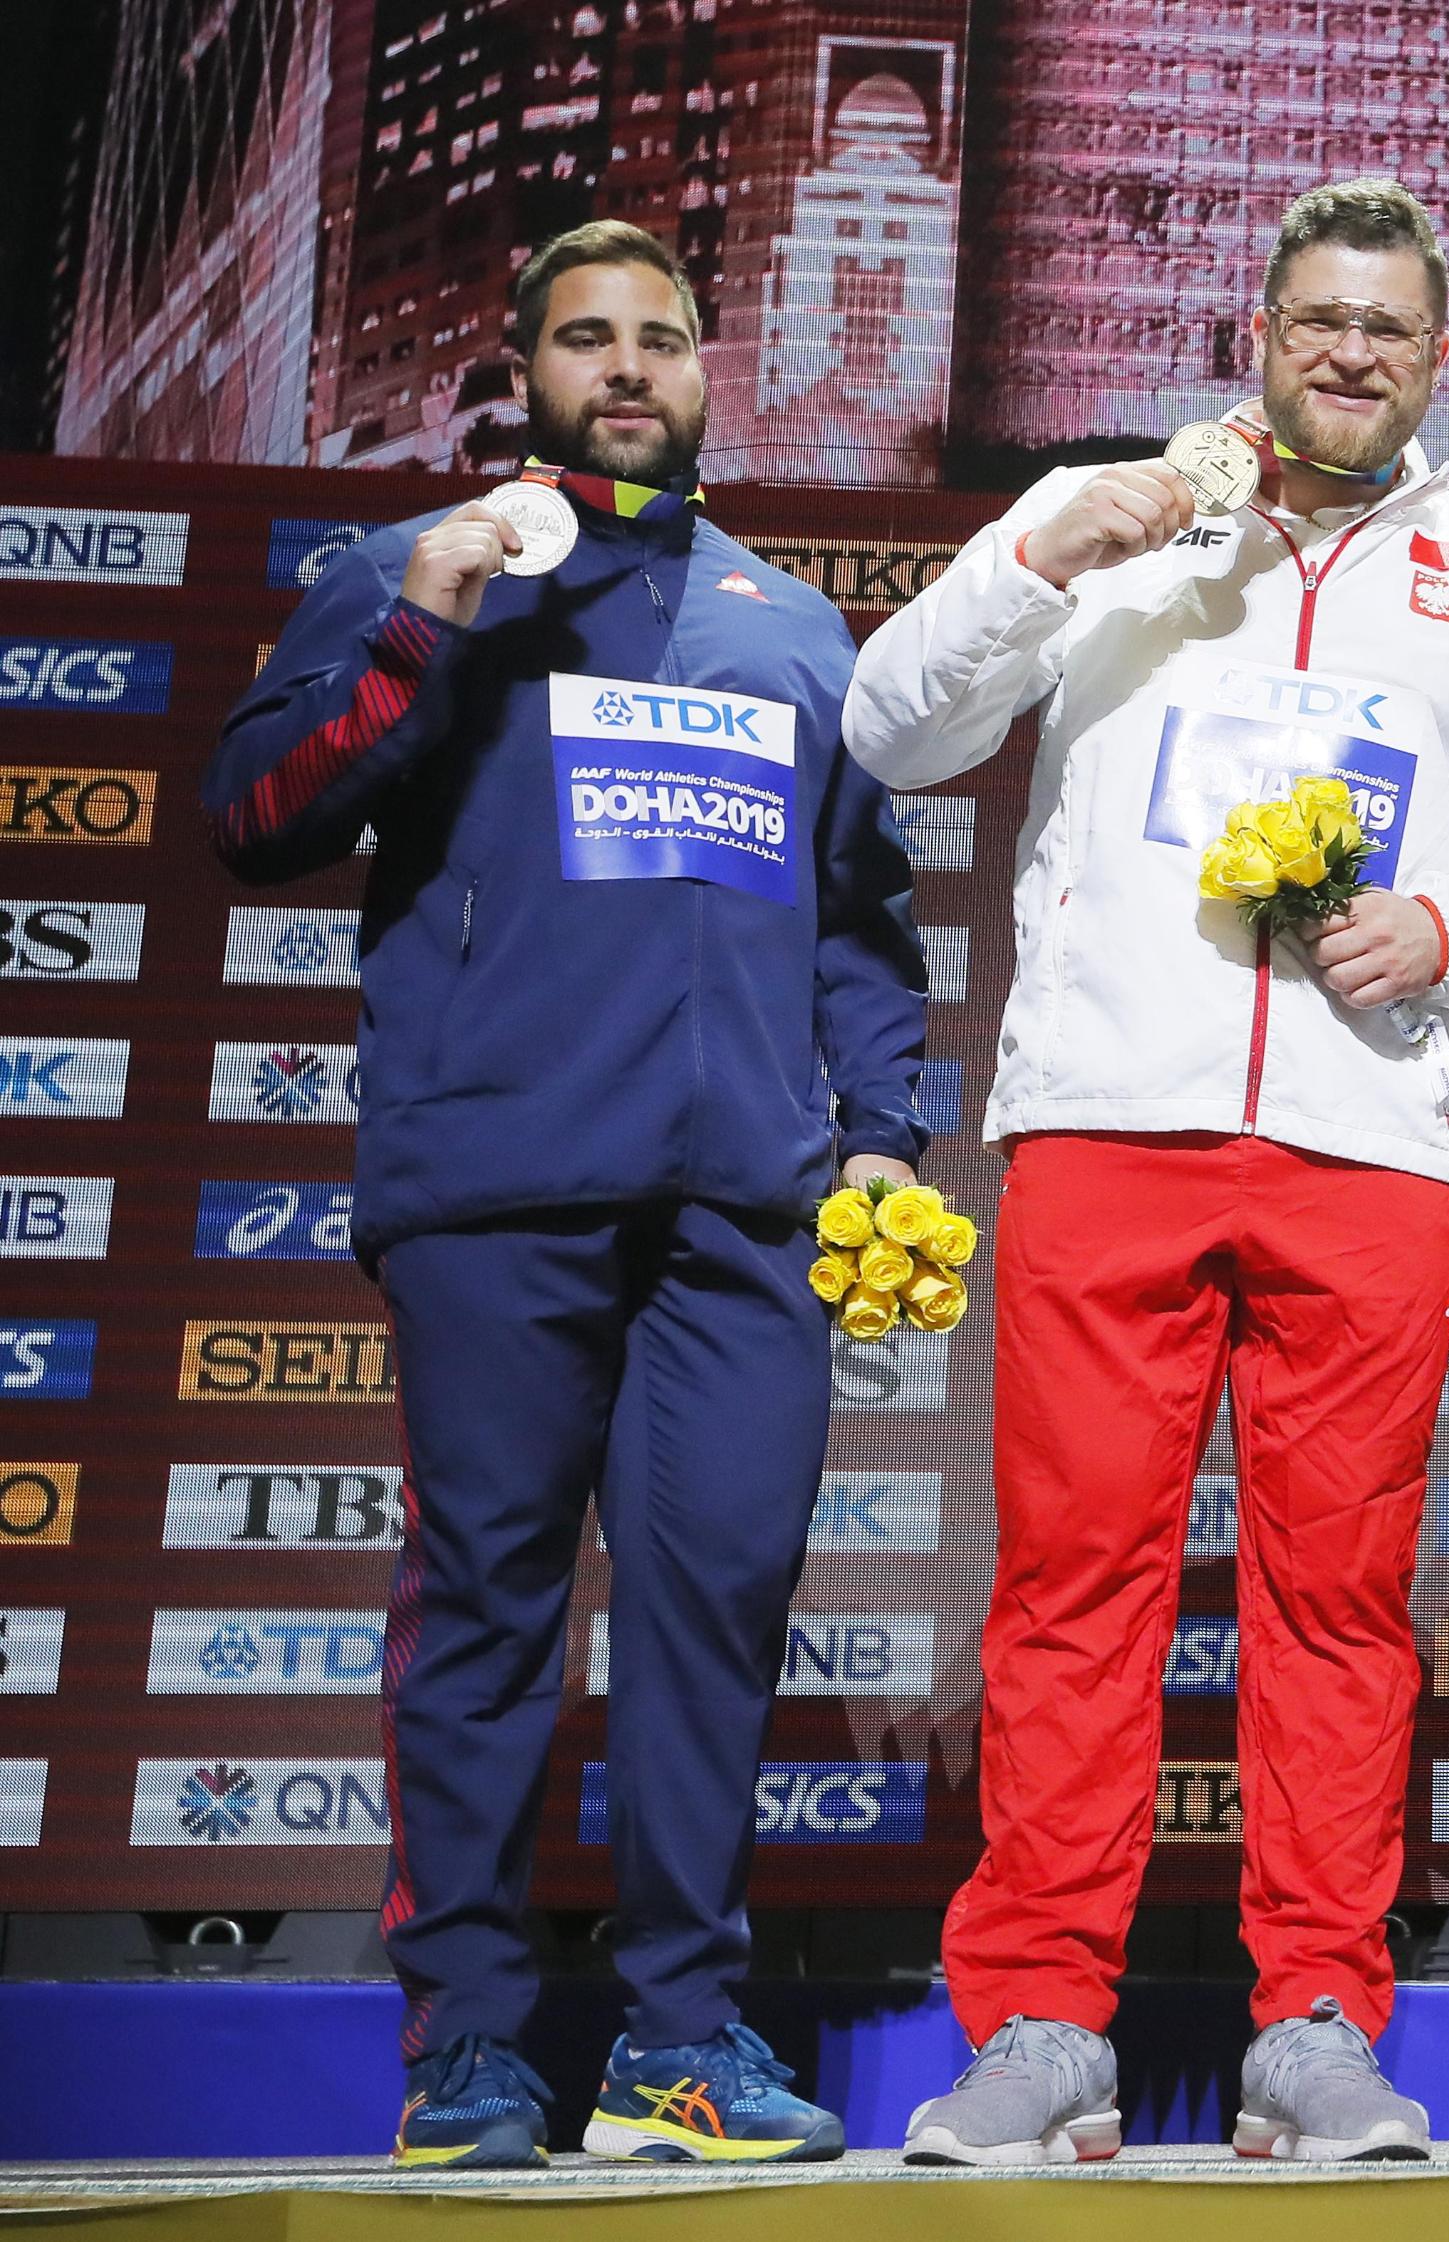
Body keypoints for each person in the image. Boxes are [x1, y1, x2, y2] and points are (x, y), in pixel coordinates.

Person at [841, 178, 1449, 2166]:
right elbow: (893, 724)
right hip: (1109, 1114)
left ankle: (1314, 2019)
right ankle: (1035, 2022)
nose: (1351, 351)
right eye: (1318, 317)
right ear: (1258, 330)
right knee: (1070, 1590)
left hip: (1366, 1143)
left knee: (1340, 1602)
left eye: (1390, 325)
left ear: (1438, 362)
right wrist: (1049, 539)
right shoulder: (1121, 527)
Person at [205, 220, 927, 2165]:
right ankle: (467, 2049)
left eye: (664, 338)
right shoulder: (405, 570)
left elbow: (857, 914)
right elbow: (257, 815)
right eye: (585, 337)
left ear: (711, 374)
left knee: (715, 1617)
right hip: (497, 1185)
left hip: (740, 1221)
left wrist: (881, 1129)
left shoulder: (789, 623)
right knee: (491, 1615)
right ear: (521, 373)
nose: (629, 367)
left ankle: (682, 2037)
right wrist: (430, 615)